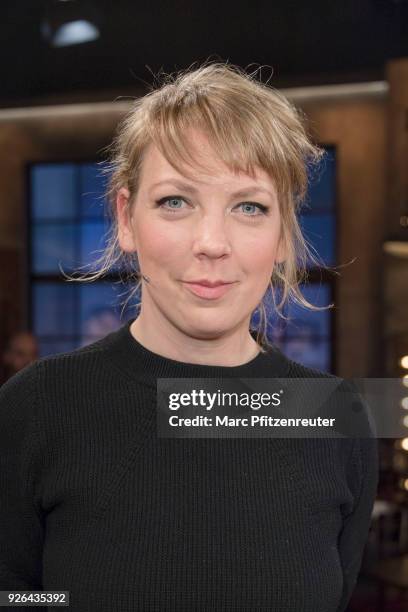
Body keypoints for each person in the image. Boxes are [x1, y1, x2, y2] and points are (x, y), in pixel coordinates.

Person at [0, 61, 378, 611]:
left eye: (249, 207)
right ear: (127, 219)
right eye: (176, 201)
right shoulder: (36, 407)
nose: (211, 242)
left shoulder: (336, 415)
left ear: (281, 234)